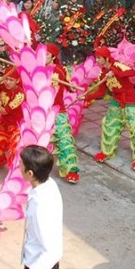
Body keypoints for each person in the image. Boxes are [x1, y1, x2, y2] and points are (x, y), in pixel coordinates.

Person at [86, 47, 135, 172]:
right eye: (96, 58)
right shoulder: (103, 73)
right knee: (110, 124)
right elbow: (101, 92)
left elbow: (131, 72)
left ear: (106, 58)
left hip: (130, 100)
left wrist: (115, 72)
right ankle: (107, 151)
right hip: (116, 100)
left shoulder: (117, 65)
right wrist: (86, 97)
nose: (97, 60)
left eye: (99, 58)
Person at [20, 145, 63, 269]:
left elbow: (53, 252)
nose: (18, 166)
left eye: (21, 164)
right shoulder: (49, 183)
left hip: (40, 267)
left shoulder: (39, 206)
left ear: (30, 173)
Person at [46, 44, 80, 184]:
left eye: (47, 55)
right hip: (41, 111)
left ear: (53, 56)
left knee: (64, 140)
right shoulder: (37, 69)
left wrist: (73, 88)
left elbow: (69, 87)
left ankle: (71, 170)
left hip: (58, 110)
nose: (43, 57)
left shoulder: (60, 70)